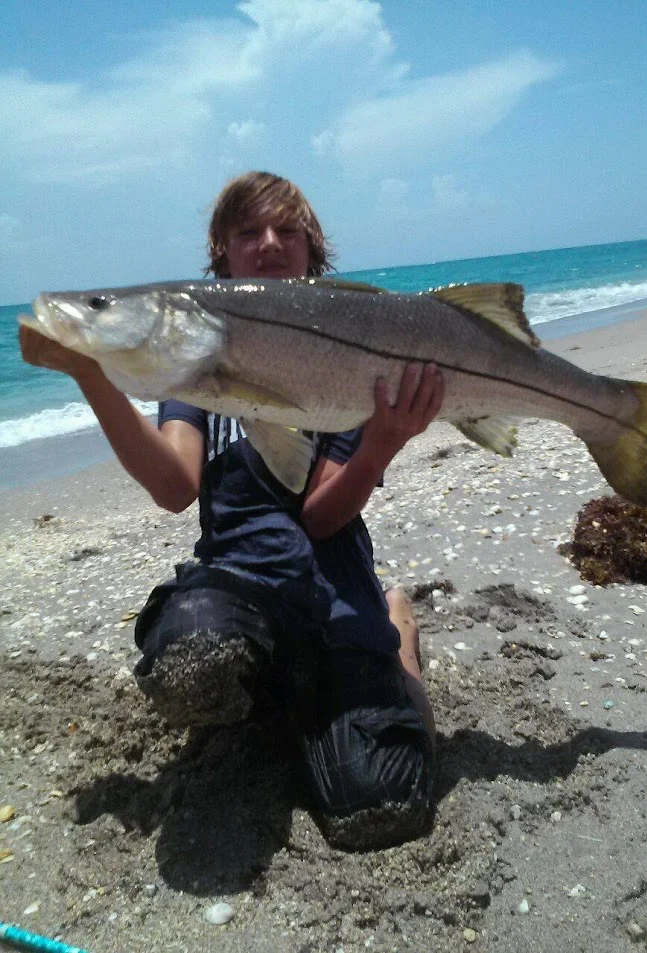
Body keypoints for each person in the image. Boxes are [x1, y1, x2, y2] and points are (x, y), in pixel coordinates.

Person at [19, 171, 444, 850]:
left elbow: (322, 517)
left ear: (312, 250)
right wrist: (92, 375)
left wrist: (383, 441)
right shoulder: (185, 361)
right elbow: (173, 485)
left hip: (329, 578)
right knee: (191, 649)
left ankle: (397, 634)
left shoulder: (343, 356)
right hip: (237, 584)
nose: (268, 243)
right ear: (221, 253)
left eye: (286, 230)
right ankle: (287, 688)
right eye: (248, 232)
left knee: (379, 801)